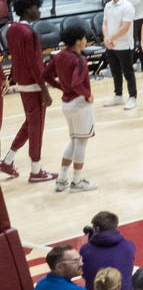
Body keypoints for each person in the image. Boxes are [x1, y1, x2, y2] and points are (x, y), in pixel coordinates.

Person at [1, 0, 54, 182]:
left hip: (22, 82)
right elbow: (34, 64)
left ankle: (8, 160)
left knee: (30, 123)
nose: (39, 11)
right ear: (26, 9)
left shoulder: (10, 29)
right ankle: (36, 170)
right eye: (36, 7)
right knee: (36, 127)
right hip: (33, 84)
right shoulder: (28, 32)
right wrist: (45, 89)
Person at [44, 25, 96, 192]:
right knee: (81, 142)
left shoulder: (59, 56)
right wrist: (87, 95)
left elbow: (45, 75)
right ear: (79, 41)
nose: (86, 41)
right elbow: (76, 82)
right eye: (84, 38)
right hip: (79, 104)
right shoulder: (79, 60)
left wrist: (60, 87)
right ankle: (77, 182)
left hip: (66, 104)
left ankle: (61, 179)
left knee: (74, 140)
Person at [80, 211, 136, 290]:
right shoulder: (129, 245)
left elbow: (84, 274)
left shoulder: (85, 250)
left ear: (96, 229)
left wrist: (92, 240)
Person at [102, 0, 138, 110]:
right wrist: (106, 38)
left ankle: (133, 97)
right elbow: (104, 23)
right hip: (111, 45)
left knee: (128, 72)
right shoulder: (108, 6)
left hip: (124, 45)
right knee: (115, 72)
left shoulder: (128, 6)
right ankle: (118, 95)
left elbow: (125, 27)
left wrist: (111, 38)